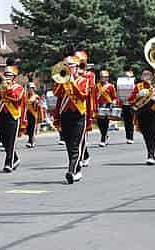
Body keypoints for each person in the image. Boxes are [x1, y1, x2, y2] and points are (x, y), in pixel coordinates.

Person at [53, 54, 88, 184]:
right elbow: (56, 93)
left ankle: (71, 171)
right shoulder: (61, 80)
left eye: (71, 66)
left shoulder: (84, 80)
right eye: (66, 66)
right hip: (65, 115)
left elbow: (83, 94)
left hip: (78, 115)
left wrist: (73, 82)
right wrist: (63, 82)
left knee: (76, 145)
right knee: (69, 144)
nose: (68, 68)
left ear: (77, 68)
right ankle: (77, 170)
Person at [0, 58, 27, 173]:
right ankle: (15, 158)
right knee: (4, 141)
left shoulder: (18, 88)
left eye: (10, 75)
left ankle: (8, 163)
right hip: (0, 115)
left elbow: (16, 97)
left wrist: (7, 88)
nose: (7, 77)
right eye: (6, 74)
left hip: (13, 116)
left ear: (14, 77)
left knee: (11, 141)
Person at [128, 66, 155, 165]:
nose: (145, 76)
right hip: (142, 113)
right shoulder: (138, 87)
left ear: (152, 76)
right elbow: (130, 100)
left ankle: (151, 155)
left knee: (153, 133)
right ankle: (151, 151)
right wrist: (138, 95)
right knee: (146, 134)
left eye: (147, 74)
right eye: (143, 74)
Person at [75, 51, 95, 167]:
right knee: (77, 134)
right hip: (72, 105)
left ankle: (81, 157)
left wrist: (81, 74)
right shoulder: (72, 75)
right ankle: (85, 154)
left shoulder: (90, 75)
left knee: (83, 132)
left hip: (85, 106)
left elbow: (90, 87)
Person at [95, 67, 118, 147]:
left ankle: (103, 139)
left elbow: (114, 97)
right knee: (99, 123)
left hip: (108, 106)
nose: (103, 78)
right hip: (99, 106)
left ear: (107, 77)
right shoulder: (96, 86)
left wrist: (114, 103)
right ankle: (104, 135)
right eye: (101, 77)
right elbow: (94, 97)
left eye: (104, 77)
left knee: (105, 123)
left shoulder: (110, 86)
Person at [119, 65, 135, 144]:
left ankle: (130, 136)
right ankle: (128, 137)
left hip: (130, 103)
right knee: (127, 121)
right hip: (124, 102)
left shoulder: (133, 79)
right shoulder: (121, 79)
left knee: (130, 121)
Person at [25, 81, 43, 148]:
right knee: (28, 128)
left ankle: (30, 141)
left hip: (33, 114)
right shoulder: (25, 96)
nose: (31, 89)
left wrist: (36, 102)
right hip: (27, 114)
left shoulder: (36, 96)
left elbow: (37, 105)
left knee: (32, 128)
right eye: (29, 88)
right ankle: (31, 140)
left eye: (32, 88)